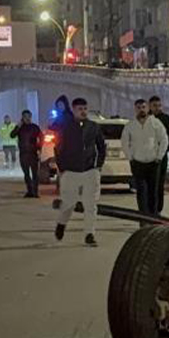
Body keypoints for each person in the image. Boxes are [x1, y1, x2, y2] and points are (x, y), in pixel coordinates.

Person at [54, 98, 107, 247]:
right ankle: (61, 223)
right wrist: (62, 168)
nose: (83, 111)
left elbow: (101, 147)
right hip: (71, 171)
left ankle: (89, 234)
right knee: (68, 203)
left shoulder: (94, 127)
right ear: (74, 110)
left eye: (85, 108)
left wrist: (98, 165)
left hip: (90, 170)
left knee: (90, 204)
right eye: (80, 109)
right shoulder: (66, 127)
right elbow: (58, 149)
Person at [122, 98, 169, 215]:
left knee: (153, 191)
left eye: (143, 107)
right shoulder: (130, 125)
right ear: (135, 109)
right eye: (138, 108)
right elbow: (124, 142)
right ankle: (143, 217)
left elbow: (164, 139)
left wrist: (159, 156)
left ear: (148, 108)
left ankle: (153, 216)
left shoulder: (156, 123)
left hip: (153, 163)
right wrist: (130, 157)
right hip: (138, 163)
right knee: (141, 191)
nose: (141, 110)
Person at [10, 110, 44, 198]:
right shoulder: (20, 128)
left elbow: (41, 137)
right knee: (26, 174)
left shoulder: (35, 127)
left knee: (35, 174)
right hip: (23, 153)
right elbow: (12, 135)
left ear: (31, 117)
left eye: (28, 116)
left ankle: (35, 192)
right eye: (25, 117)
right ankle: (30, 191)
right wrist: (18, 126)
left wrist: (39, 148)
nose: (27, 118)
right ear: (22, 118)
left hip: (33, 153)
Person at [149, 96, 169, 213]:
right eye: (155, 106)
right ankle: (149, 208)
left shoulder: (166, 119)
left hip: (161, 156)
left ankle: (158, 208)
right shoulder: (145, 119)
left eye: (159, 105)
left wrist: (165, 149)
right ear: (150, 106)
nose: (157, 108)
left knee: (159, 183)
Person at [49, 96, 72, 209]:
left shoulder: (68, 116)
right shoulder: (61, 117)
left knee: (66, 170)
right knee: (62, 170)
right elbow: (53, 127)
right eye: (58, 106)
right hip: (60, 147)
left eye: (61, 105)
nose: (59, 107)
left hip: (67, 147)